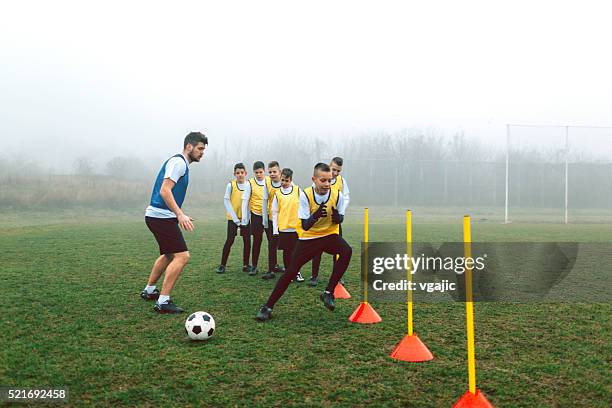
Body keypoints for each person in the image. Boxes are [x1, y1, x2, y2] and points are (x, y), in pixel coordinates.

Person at [255, 163, 352, 322]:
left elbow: (340, 217)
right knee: (291, 271)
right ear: (314, 179)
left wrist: (338, 218)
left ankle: (328, 292)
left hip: (329, 235)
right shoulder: (305, 195)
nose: (327, 184)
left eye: (329, 180)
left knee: (347, 251)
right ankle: (267, 307)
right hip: (309, 238)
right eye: (323, 180)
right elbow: (305, 224)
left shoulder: (338, 195)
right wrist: (315, 216)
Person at [141, 131, 208, 314]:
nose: (202, 152)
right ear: (189, 146)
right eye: (200, 148)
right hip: (160, 216)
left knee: (169, 254)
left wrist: (178, 214)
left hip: (159, 216)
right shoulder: (178, 163)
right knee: (182, 256)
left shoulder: (181, 164)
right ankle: (163, 301)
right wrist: (179, 214)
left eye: (204, 149)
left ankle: (149, 291)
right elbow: (165, 190)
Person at [309, 157, 351, 286]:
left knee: (339, 251)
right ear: (329, 166)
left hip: (334, 222)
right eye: (333, 169)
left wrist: (340, 212)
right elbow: (313, 196)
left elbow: (346, 198)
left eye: (338, 171)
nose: (335, 173)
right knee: (317, 249)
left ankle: (337, 277)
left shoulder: (342, 181)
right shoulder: (319, 179)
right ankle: (314, 276)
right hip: (320, 221)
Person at [216, 163, 251, 274]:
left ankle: (246, 265)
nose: (240, 175)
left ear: (245, 173)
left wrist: (246, 218)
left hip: (246, 219)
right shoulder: (231, 185)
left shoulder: (249, 185)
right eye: (237, 173)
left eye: (242, 173)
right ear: (234, 174)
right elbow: (226, 201)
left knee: (247, 242)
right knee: (229, 241)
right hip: (233, 219)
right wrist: (235, 219)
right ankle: (222, 265)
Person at [271, 168, 304, 283]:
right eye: (282, 180)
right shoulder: (277, 193)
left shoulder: (298, 190)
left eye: (286, 180)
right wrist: (275, 230)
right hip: (283, 228)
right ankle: (288, 274)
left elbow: (304, 207)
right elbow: (274, 212)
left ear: (291, 180)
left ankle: (297, 272)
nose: (284, 183)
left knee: (296, 252)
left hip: (295, 228)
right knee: (286, 252)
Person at [241, 161, 267, 276]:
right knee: (257, 241)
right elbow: (245, 200)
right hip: (256, 216)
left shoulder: (269, 181)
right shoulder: (250, 183)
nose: (259, 174)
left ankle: (273, 266)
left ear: (264, 171)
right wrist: (244, 219)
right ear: (253, 172)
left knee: (273, 241)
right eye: (256, 172)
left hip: (269, 216)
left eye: (261, 172)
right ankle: (254, 266)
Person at [261, 161, 284, 280]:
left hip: (285, 221)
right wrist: (265, 220)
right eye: (270, 172)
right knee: (272, 245)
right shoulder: (267, 183)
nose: (272, 174)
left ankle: (292, 271)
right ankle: (271, 269)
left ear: (280, 172)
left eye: (274, 171)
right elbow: (264, 201)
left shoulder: (286, 183)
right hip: (271, 220)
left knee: (287, 246)